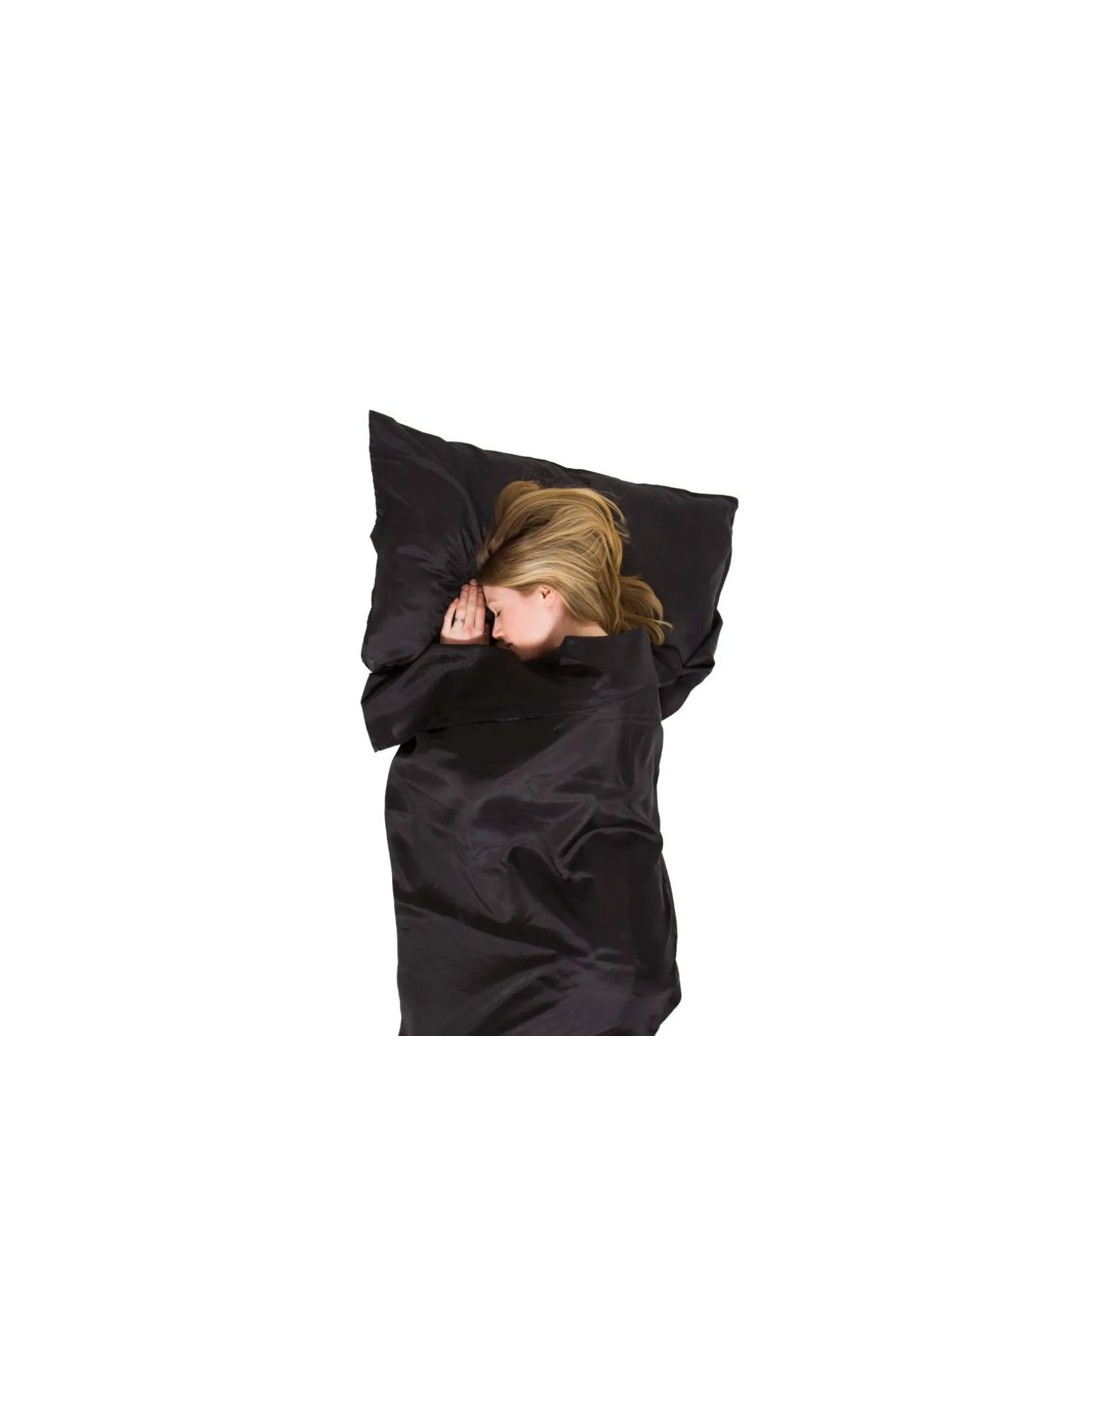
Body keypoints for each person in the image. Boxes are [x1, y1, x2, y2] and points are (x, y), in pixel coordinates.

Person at [438, 479, 672, 660]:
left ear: (545, 593)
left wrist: (460, 661)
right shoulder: (629, 665)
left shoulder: (591, 683)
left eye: (498, 612)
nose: (495, 632)